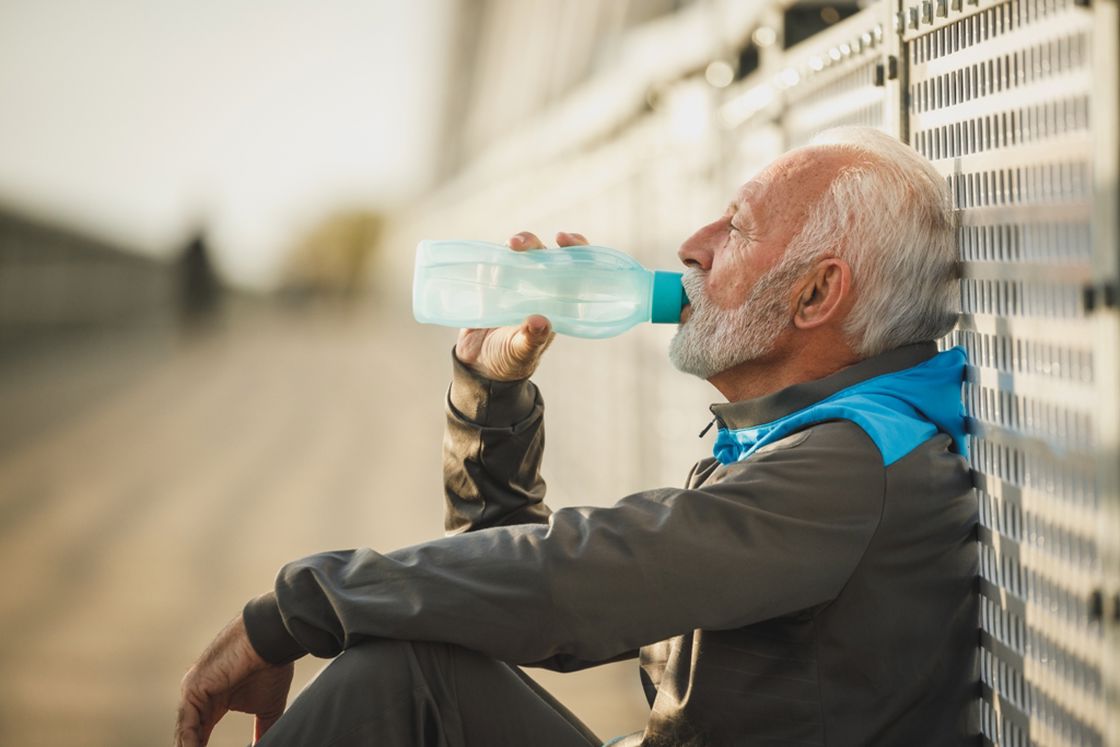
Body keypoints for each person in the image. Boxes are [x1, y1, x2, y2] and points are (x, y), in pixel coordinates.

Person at [174, 126, 977, 747]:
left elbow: (572, 584)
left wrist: (293, 611)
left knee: (406, 679)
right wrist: (493, 393)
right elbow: (509, 593)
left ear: (816, 293)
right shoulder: (807, 441)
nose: (692, 246)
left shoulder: (854, 468)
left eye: (736, 227)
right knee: (415, 671)